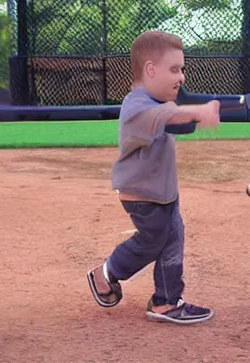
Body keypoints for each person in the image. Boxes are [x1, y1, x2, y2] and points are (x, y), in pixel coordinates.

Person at [86, 30, 220, 325]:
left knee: (173, 237)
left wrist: (198, 112)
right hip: (143, 196)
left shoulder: (157, 101)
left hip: (162, 192)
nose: (181, 77)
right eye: (174, 69)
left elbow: (177, 119)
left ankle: (166, 301)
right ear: (150, 70)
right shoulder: (137, 105)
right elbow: (167, 118)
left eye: (182, 69)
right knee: (153, 240)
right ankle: (106, 274)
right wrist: (200, 111)